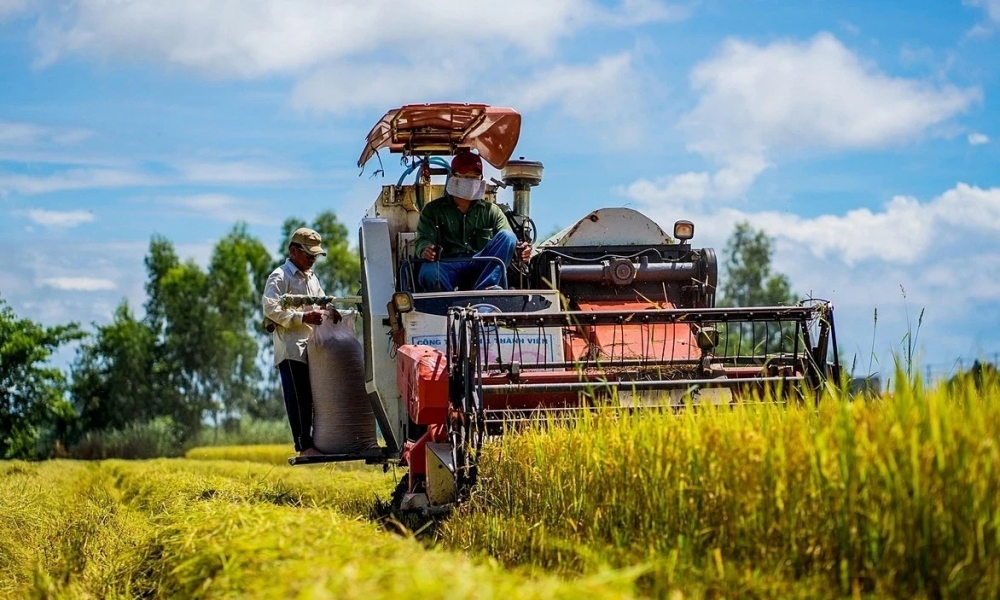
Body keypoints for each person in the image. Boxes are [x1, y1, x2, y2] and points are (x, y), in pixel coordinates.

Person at [262, 227, 340, 457]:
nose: (313, 260)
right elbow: (270, 308)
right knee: (299, 398)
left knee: (315, 397)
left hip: (312, 347)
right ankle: (304, 446)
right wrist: (302, 317)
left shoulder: (312, 278)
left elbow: (321, 300)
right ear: (294, 251)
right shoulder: (280, 276)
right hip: (291, 349)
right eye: (309, 255)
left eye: (315, 255)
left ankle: (318, 442)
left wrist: (330, 309)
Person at [413, 151, 531, 291]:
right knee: (429, 272)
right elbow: (423, 240)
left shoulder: (491, 211)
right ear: (452, 177)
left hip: (481, 264)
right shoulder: (432, 210)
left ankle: (485, 290)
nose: (472, 182)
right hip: (447, 265)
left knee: (509, 236)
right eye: (467, 177)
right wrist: (426, 249)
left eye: (476, 177)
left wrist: (522, 250)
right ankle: (447, 304)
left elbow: (509, 241)